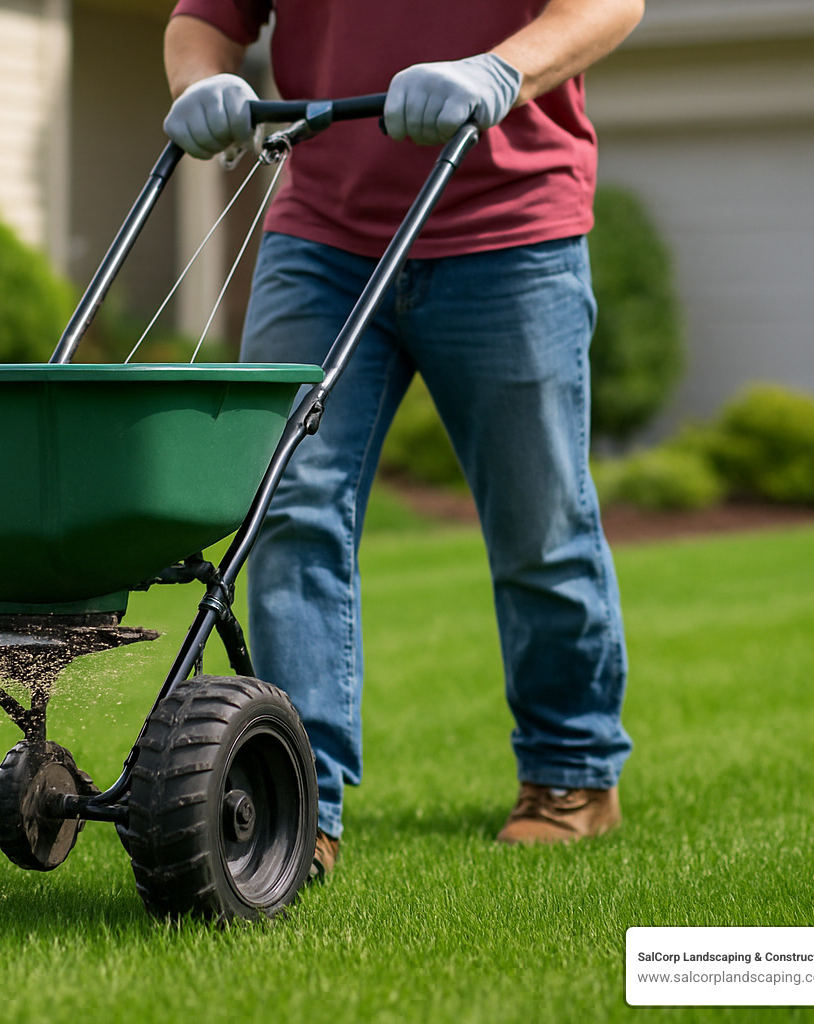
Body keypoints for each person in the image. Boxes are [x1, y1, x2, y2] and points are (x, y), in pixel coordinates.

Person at [162, 0, 643, 877]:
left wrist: (500, 71)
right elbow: (205, 17)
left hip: (510, 230)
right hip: (323, 236)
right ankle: (300, 807)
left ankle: (570, 772)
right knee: (289, 508)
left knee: (541, 519)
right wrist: (202, 82)